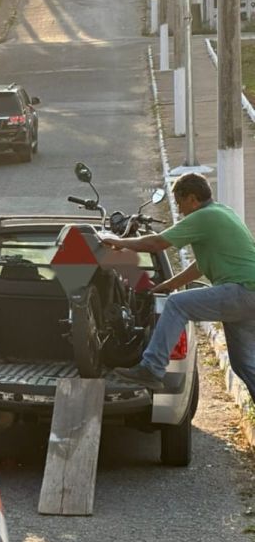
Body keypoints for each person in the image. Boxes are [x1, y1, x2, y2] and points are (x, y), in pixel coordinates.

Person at [100, 172, 255, 402]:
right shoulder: (222, 212)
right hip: (246, 293)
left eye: (180, 203)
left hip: (241, 291)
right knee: (244, 364)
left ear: (192, 198)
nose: (180, 211)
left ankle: (151, 368)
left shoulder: (205, 216)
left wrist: (119, 242)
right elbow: (200, 266)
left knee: (177, 304)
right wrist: (169, 284)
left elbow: (157, 242)